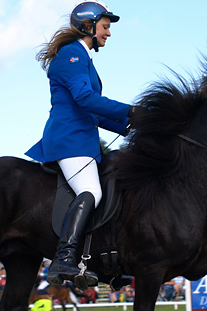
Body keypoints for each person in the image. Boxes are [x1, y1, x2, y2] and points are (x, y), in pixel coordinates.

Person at [26, 1, 133, 289]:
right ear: (88, 25)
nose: (108, 33)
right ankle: (63, 258)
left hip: (82, 139)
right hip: (69, 140)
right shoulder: (72, 53)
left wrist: (128, 125)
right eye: (106, 26)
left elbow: (93, 113)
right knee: (91, 191)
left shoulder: (82, 56)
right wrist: (130, 110)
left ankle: (105, 259)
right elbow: (85, 100)